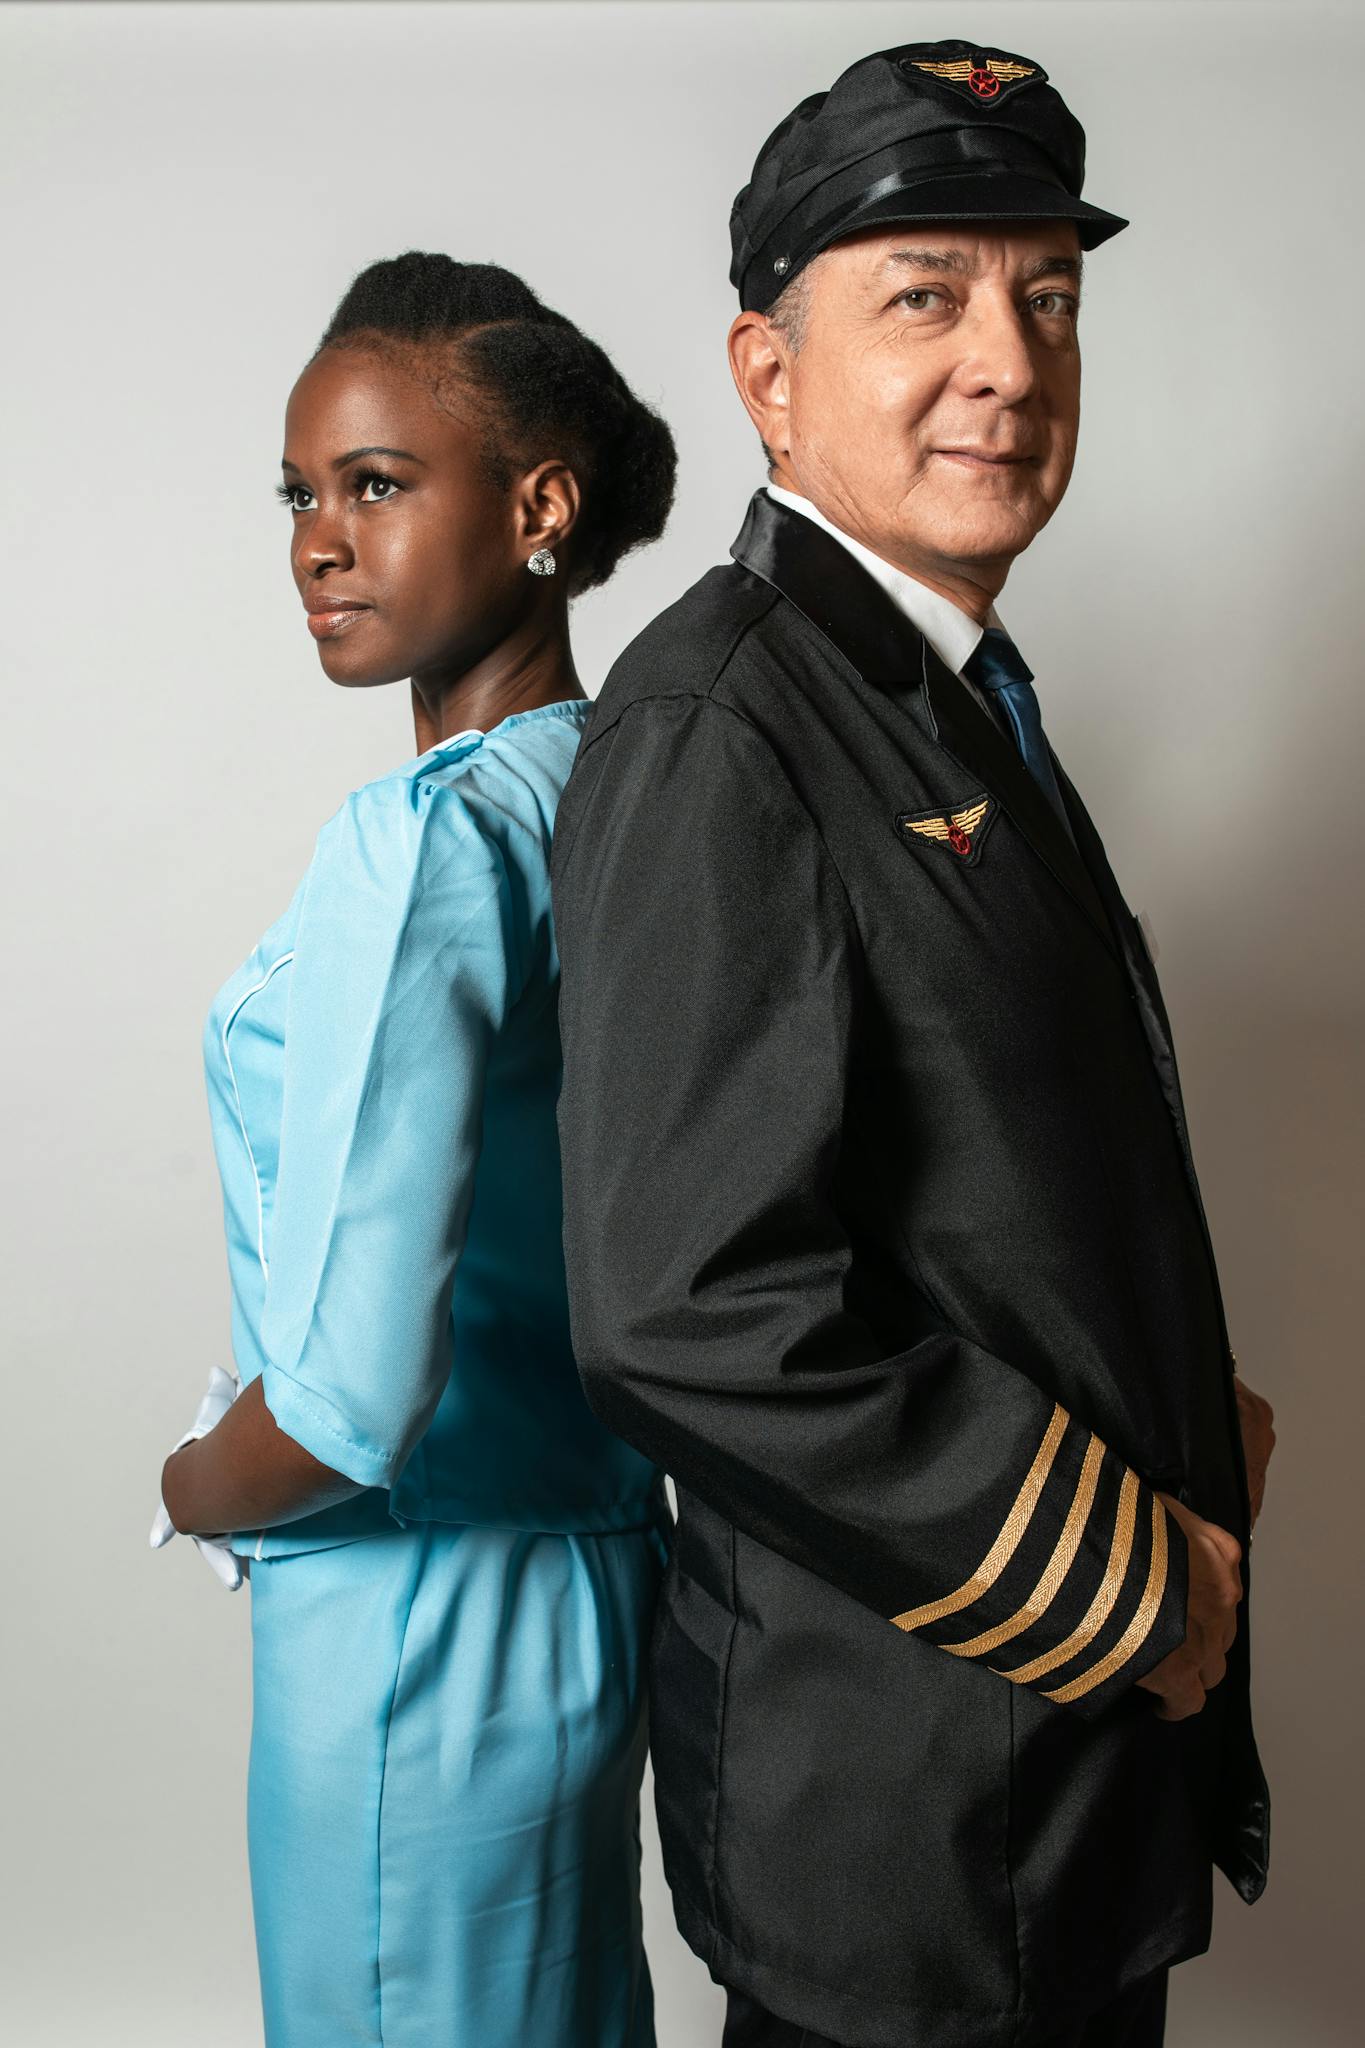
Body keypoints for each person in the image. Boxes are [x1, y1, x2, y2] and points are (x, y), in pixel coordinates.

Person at [551, 39, 1276, 2048]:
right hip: (909, 1829)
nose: (1011, 362)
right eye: (923, 294)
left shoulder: (946, 694)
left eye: (1044, 297)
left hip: (1050, 1793)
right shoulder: (721, 730)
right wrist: (1129, 1571)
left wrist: (1176, 1418)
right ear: (765, 375)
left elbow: (964, 1177)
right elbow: (684, 1307)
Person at [150, 252, 676, 2048]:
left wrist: (186, 1490)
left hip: (407, 1624)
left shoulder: (427, 839)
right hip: (601, 1575)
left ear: (540, 507)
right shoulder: (626, 786)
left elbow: (345, 1407)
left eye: (376, 484)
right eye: (299, 493)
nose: (316, 538)